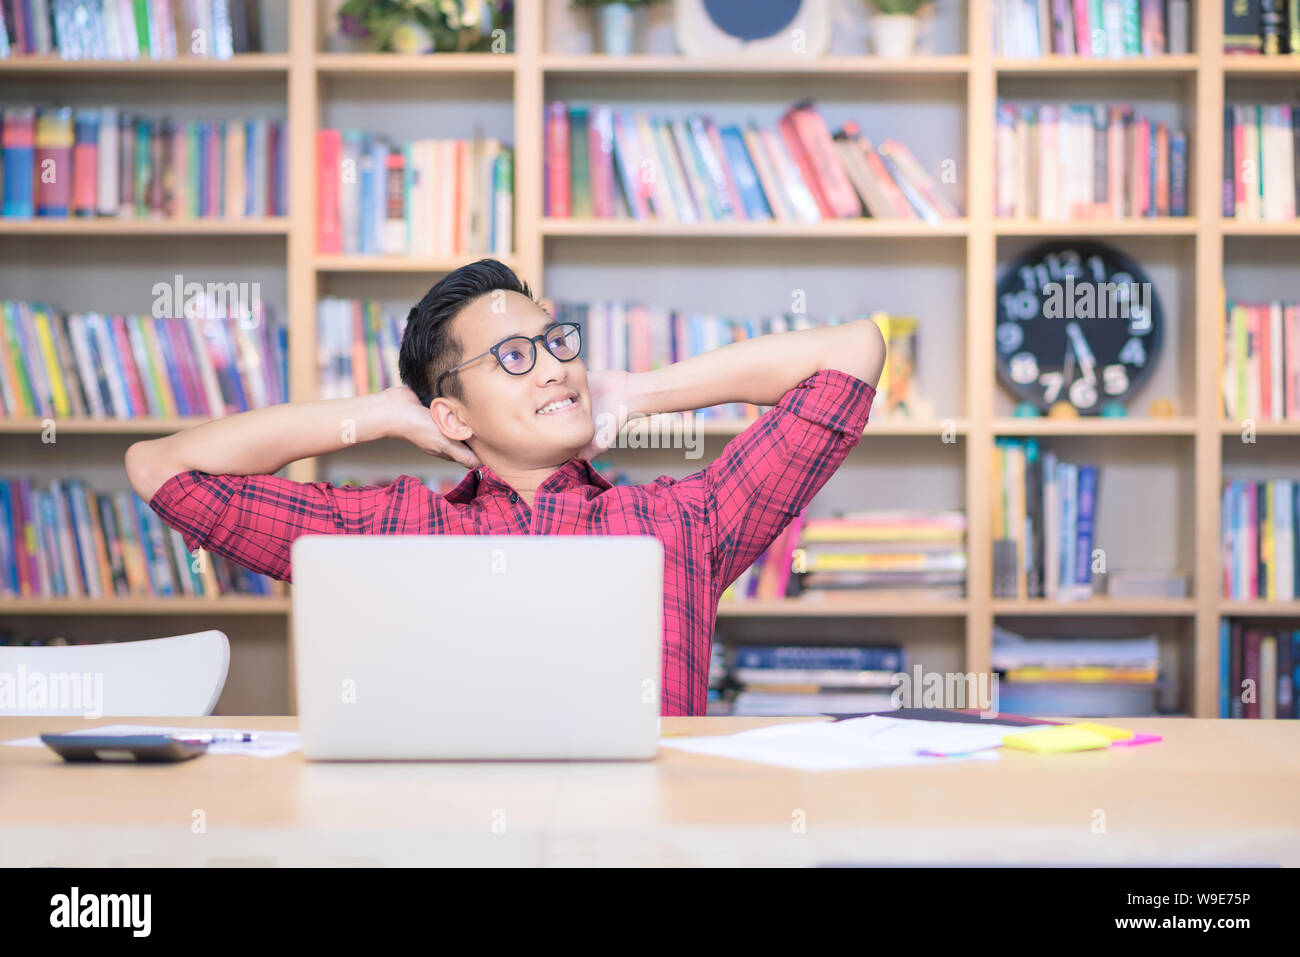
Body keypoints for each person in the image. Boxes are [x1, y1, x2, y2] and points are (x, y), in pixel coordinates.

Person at [125, 259, 885, 715]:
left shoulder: (686, 519)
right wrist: (381, 413)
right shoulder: (387, 529)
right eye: (513, 357)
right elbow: (161, 469)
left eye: (557, 343)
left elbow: (853, 352)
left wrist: (640, 392)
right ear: (451, 414)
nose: (556, 366)